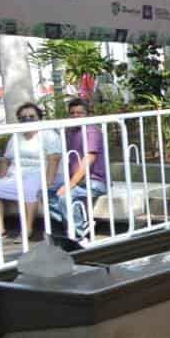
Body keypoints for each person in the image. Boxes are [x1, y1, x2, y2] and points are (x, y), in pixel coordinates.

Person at [0, 103, 61, 238]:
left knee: (29, 189)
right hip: (15, 174)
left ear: (39, 117)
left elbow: (54, 159)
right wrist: (2, 178)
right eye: (23, 117)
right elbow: (6, 159)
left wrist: (48, 182)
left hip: (37, 172)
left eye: (32, 116)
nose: (27, 119)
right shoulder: (16, 136)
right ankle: (0, 229)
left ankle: (27, 229)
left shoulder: (48, 134)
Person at [48, 99, 107, 240]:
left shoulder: (91, 130)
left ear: (87, 114)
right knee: (44, 193)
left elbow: (89, 158)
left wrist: (70, 184)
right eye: (72, 113)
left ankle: (79, 232)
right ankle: (80, 225)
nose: (75, 116)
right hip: (77, 181)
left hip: (94, 181)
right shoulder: (71, 131)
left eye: (80, 113)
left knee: (64, 197)